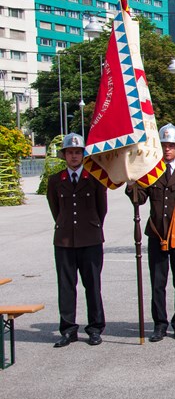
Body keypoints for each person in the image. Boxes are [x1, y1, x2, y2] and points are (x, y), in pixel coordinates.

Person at [126, 123, 175, 342]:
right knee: (158, 283)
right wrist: (132, 184)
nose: (167, 149)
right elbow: (140, 199)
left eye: (171, 146)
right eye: (164, 145)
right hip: (157, 233)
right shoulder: (151, 170)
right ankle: (159, 324)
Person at [49, 133, 108, 348]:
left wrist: (90, 227)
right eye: (70, 152)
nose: (74, 156)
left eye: (77, 152)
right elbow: (56, 209)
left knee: (92, 285)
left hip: (90, 239)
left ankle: (95, 328)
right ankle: (68, 329)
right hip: (64, 241)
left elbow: (102, 209)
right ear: (64, 155)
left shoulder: (95, 179)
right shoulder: (56, 180)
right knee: (66, 286)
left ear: (84, 155)